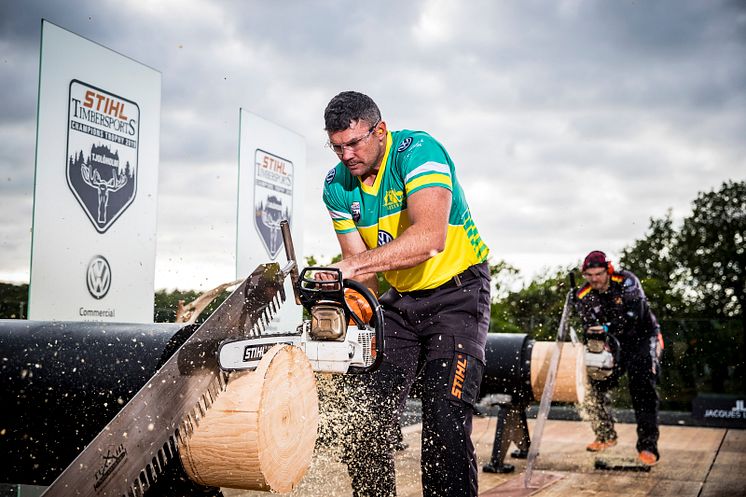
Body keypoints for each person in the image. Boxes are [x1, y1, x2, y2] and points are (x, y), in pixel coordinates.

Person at [320, 91, 491, 497]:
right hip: (400, 303)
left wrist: (349, 270)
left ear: (380, 130)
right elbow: (365, 273)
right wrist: (340, 318)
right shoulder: (336, 187)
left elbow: (430, 238)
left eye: (355, 143)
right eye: (336, 146)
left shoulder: (419, 152)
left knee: (444, 423)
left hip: (458, 295)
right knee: (365, 420)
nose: (346, 155)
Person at [574, 250, 663, 466]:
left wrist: (604, 327)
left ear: (608, 270)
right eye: (589, 275)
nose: (594, 279)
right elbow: (587, 327)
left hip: (644, 339)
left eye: (598, 273)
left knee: (642, 388)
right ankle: (605, 434)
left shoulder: (627, 280)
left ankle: (648, 448)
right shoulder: (583, 294)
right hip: (614, 344)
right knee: (594, 384)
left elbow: (634, 318)